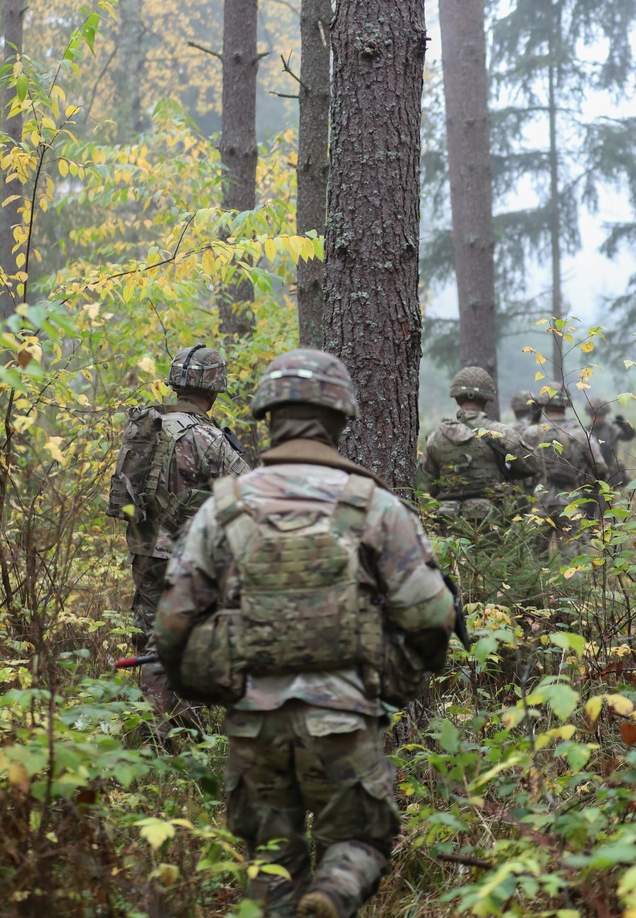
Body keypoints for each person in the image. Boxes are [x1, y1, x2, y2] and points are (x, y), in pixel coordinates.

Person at [154, 349, 455, 918]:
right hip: (344, 715)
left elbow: (171, 626)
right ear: (341, 417)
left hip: (253, 722)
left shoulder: (224, 508)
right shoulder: (375, 506)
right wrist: (399, 678)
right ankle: (332, 897)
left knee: (271, 861)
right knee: (360, 842)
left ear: (268, 414)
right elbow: (431, 616)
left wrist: (215, 683)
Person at [107, 341, 248, 725]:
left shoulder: (147, 425)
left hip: (144, 549)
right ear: (214, 388)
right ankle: (166, 735)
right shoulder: (208, 438)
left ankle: (158, 728)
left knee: (150, 635)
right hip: (186, 558)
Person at [423, 366, 538, 521]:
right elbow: (531, 466)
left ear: (456, 398)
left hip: (450, 520)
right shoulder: (501, 433)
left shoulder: (435, 437)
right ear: (486, 400)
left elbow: (432, 486)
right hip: (491, 522)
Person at [519, 385, 607, 548]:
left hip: (538, 505)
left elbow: (518, 468)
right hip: (571, 505)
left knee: (534, 564)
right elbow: (600, 468)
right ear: (567, 404)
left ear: (544, 403)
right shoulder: (581, 434)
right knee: (574, 565)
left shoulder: (530, 433)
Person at [587, 398, 635, 488]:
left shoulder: (611, 429)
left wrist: (625, 427)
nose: (596, 418)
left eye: (599, 415)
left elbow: (627, 436)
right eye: (594, 415)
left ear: (604, 415)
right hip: (591, 474)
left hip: (611, 472)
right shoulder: (586, 430)